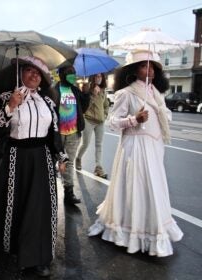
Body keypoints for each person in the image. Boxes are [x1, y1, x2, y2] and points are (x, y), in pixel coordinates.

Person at [0, 56, 68, 277]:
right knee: (7, 206)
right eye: (29, 70)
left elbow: (53, 133)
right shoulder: (6, 97)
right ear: (18, 74)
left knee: (38, 209)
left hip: (41, 159)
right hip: (13, 158)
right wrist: (11, 106)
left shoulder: (47, 101)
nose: (34, 75)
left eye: (39, 72)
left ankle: (33, 258)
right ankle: (1, 242)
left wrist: (61, 156)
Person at [88, 50, 183, 257]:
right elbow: (112, 122)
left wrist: (162, 112)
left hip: (155, 148)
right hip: (135, 147)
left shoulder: (157, 93)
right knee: (136, 187)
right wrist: (134, 119)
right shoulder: (127, 93)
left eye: (152, 66)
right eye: (143, 65)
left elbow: (165, 117)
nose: (148, 69)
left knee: (154, 188)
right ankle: (130, 231)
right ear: (133, 69)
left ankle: (151, 227)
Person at [53, 65, 90, 205]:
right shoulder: (54, 90)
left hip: (73, 133)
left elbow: (83, 108)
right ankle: (48, 191)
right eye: (69, 73)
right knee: (52, 162)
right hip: (57, 135)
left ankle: (69, 193)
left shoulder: (75, 90)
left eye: (74, 73)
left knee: (68, 163)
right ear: (61, 75)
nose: (73, 75)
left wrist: (86, 93)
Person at [75, 73, 109, 178]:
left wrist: (105, 115)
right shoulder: (87, 90)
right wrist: (93, 94)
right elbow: (85, 107)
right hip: (89, 120)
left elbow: (106, 105)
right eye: (96, 76)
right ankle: (78, 158)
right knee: (86, 143)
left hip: (100, 122)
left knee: (99, 145)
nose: (99, 78)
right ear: (93, 77)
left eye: (100, 76)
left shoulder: (103, 91)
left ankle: (98, 167)